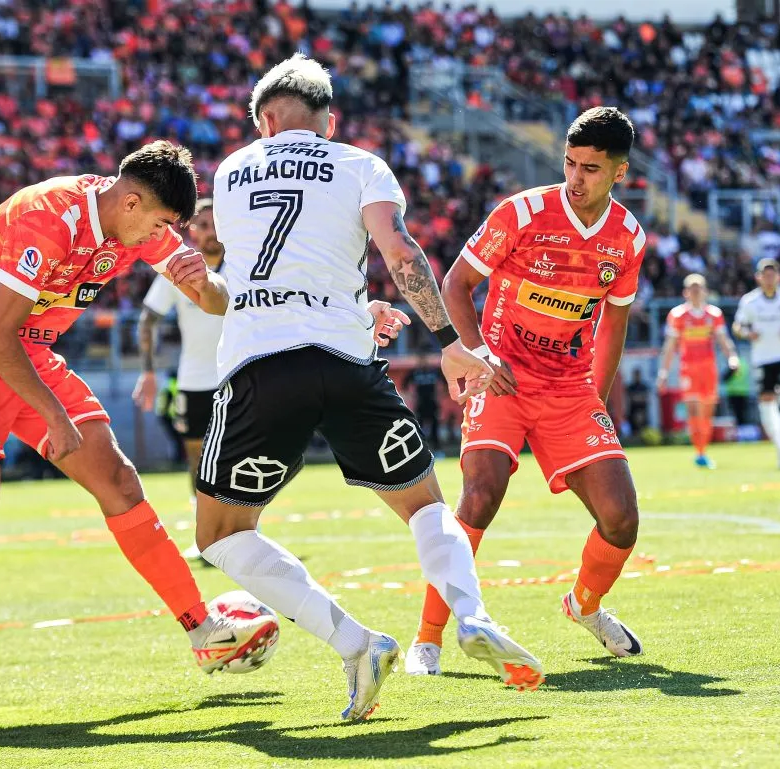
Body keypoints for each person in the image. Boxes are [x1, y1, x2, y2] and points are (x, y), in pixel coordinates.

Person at [194, 54, 542, 723]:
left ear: (266, 120)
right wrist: (449, 342)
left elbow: (265, 277)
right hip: (348, 362)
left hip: (261, 365)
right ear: (329, 120)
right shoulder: (360, 164)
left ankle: (356, 644)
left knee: (221, 533)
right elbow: (399, 251)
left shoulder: (231, 171)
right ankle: (471, 614)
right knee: (424, 504)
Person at [0, 141, 277, 725]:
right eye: (160, 224)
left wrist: (207, 282)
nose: (164, 236)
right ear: (131, 202)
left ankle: (202, 630)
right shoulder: (48, 218)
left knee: (119, 480)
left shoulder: (141, 224)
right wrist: (54, 416)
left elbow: (214, 302)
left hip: (28, 353)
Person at [407, 107, 647, 677]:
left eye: (591, 168)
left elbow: (613, 322)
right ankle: (428, 639)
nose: (576, 177)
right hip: (502, 378)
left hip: (570, 391)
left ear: (620, 171)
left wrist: (596, 398)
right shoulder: (521, 213)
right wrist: (481, 355)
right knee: (480, 495)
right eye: (569, 163)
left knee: (621, 519)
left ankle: (584, 605)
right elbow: (456, 284)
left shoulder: (628, 237)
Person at [135, 200, 226, 544]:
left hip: (240, 375)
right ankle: (206, 534)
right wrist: (148, 372)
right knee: (196, 458)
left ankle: (246, 528)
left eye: (215, 223)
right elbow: (148, 319)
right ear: (192, 231)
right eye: (203, 225)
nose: (210, 231)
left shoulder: (247, 264)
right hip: (194, 380)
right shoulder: (180, 267)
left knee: (241, 454)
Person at [656, 274, 739, 468]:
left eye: (699, 288)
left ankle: (703, 449)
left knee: (707, 413)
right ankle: (699, 452)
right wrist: (663, 372)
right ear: (685, 292)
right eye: (692, 288)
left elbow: (723, 340)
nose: (695, 292)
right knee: (693, 410)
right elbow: (670, 346)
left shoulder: (714, 314)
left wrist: (732, 357)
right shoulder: (678, 315)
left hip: (709, 370)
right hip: (688, 370)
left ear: (705, 291)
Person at [731, 258, 780, 468]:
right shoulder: (750, 301)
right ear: (758, 278)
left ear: (779, 277)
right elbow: (738, 326)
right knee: (767, 404)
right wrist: (748, 333)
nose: (769, 279)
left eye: (772, 275)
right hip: (762, 358)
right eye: (765, 275)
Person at [404, 353, 446, 453]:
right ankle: (421, 450)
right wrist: (412, 397)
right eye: (421, 359)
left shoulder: (434, 371)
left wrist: (440, 396)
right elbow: (404, 385)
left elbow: (445, 384)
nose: (423, 361)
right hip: (420, 403)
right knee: (419, 426)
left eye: (425, 358)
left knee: (435, 426)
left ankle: (437, 450)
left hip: (433, 403)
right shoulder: (414, 372)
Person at [625, 369, 650, 437]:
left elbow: (646, 398)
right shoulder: (630, 387)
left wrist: (636, 398)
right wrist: (638, 398)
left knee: (643, 430)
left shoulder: (644, 386)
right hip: (633, 412)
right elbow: (630, 398)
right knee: (633, 430)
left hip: (643, 412)